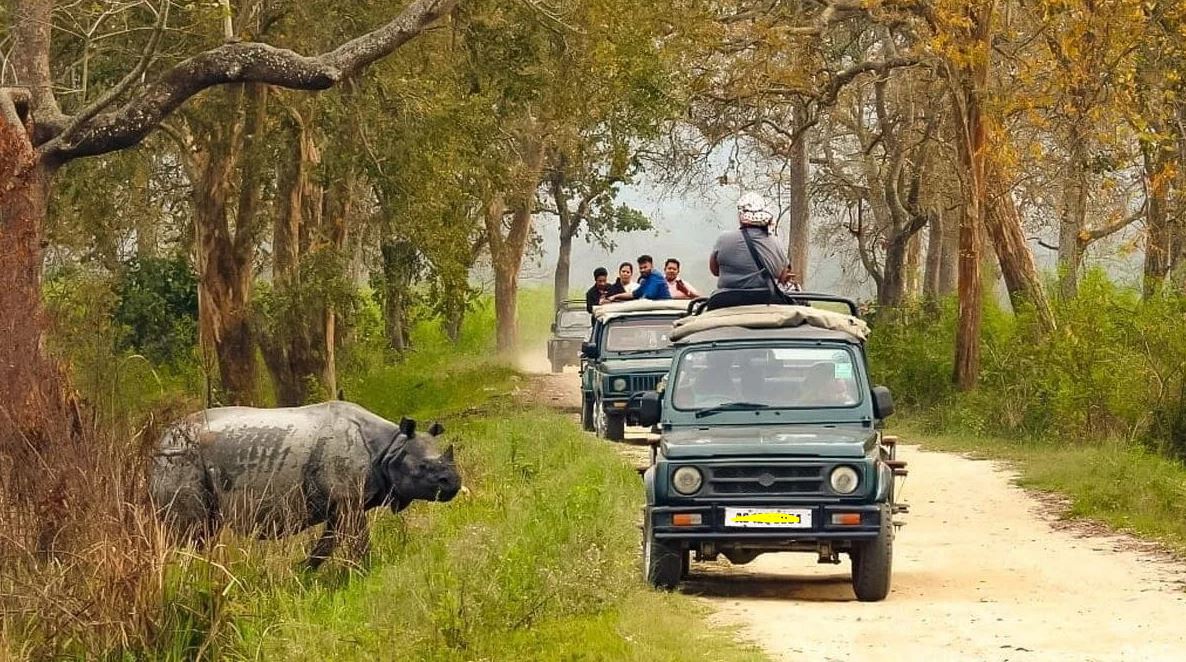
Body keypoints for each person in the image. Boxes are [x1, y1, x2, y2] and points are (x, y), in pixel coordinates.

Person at [706, 192, 791, 309]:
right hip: (767, 302)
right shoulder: (777, 243)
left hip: (726, 301)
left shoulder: (724, 239)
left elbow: (715, 270)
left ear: (741, 216)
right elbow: (783, 276)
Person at [607, 255, 672, 302]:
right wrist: (615, 296)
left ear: (652, 266)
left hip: (665, 314)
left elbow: (647, 297)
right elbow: (634, 294)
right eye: (641, 268)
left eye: (645, 267)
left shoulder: (656, 277)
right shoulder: (645, 281)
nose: (643, 270)